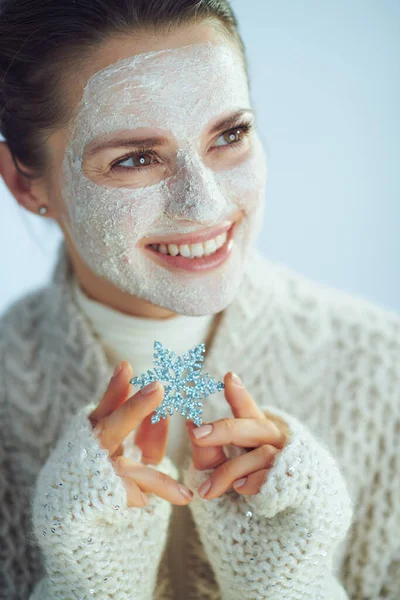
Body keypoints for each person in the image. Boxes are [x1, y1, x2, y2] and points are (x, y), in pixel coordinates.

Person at [0, 0, 398, 598]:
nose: (206, 204)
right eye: (135, 158)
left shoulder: (387, 374)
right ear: (26, 183)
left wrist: (293, 586)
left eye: (230, 134)